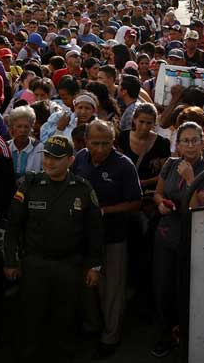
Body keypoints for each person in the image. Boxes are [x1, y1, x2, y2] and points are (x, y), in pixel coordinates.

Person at [3, 135, 103, 363]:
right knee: (31, 318)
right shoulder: (30, 185)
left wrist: (94, 266)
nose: (49, 162)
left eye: (56, 158)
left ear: (70, 160)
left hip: (69, 265)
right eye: (46, 156)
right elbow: (13, 227)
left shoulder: (82, 189)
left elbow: (95, 233)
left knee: (65, 319)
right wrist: (10, 261)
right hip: (35, 264)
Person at [72, 121, 142, 359]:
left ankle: (110, 336)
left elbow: (136, 202)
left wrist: (105, 211)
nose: (101, 148)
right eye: (95, 143)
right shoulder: (80, 158)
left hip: (113, 237)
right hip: (83, 237)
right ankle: (91, 327)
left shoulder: (124, 166)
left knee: (111, 290)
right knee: (86, 285)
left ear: (113, 142)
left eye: (106, 143)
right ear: (86, 141)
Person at [151, 121, 204, 358]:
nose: (189, 145)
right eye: (184, 141)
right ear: (177, 144)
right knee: (162, 286)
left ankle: (186, 336)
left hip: (191, 237)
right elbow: (158, 193)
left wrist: (190, 179)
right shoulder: (170, 164)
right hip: (166, 234)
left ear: (202, 141)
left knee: (185, 289)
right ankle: (163, 335)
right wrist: (160, 204)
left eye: (194, 140)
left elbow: (195, 211)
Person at [117, 103, 171, 192]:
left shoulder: (162, 143)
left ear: (154, 123)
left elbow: (164, 173)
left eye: (149, 123)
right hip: (125, 188)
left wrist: (145, 182)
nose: (144, 127)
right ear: (134, 119)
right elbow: (118, 164)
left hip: (149, 192)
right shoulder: (123, 137)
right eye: (141, 122)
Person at [7, 105, 44, 183]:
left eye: (26, 127)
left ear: (31, 128)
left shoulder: (39, 148)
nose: (22, 130)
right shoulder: (6, 147)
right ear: (12, 127)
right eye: (19, 126)